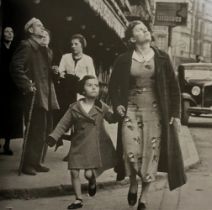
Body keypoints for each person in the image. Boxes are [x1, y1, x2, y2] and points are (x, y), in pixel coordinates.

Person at [109, 20, 186, 210]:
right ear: (132, 38)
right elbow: (114, 86)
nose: (146, 30)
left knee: (151, 154)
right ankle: (134, 181)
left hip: (156, 112)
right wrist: (118, 104)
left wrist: (175, 114)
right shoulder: (123, 59)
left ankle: (144, 197)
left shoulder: (162, 58)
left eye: (146, 28)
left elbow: (174, 88)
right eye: (140, 29)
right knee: (131, 150)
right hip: (131, 110)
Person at [46, 75, 117, 209]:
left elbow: (112, 118)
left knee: (88, 173)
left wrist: (119, 113)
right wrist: (54, 136)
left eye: (96, 85)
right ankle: (78, 199)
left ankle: (92, 181)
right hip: (78, 144)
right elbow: (63, 124)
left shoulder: (102, 106)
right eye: (89, 85)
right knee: (74, 172)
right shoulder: (75, 107)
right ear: (82, 90)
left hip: (92, 145)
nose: (94, 87)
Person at [10, 18, 59, 175]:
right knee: (33, 130)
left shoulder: (42, 48)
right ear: (30, 30)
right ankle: (27, 165)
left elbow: (45, 70)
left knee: (42, 130)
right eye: (38, 25)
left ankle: (36, 162)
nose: (42, 27)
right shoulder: (27, 45)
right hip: (33, 95)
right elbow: (15, 67)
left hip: (44, 94)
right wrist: (27, 84)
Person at [56, 33, 96, 161]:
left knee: (80, 124)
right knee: (68, 120)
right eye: (71, 44)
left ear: (82, 45)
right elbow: (61, 73)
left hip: (81, 94)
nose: (73, 46)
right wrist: (60, 74)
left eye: (76, 44)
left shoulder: (88, 59)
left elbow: (92, 77)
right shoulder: (65, 57)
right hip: (67, 93)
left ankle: (74, 152)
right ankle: (69, 148)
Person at [0, 26, 23, 155]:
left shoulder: (16, 50)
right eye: (6, 32)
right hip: (1, 85)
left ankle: (7, 145)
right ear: (2, 34)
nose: (9, 34)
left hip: (12, 87)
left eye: (11, 32)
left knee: (10, 114)